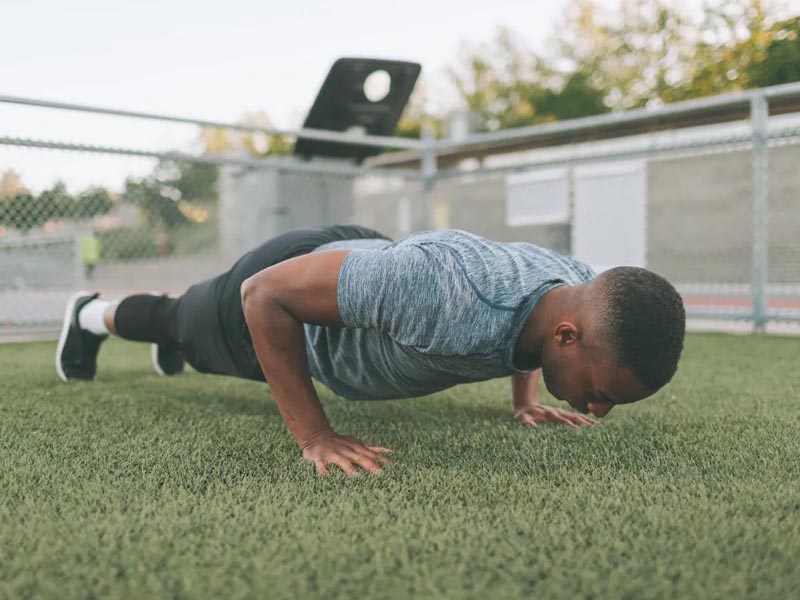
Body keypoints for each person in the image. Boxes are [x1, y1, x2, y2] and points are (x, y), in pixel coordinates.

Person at [56, 224, 686, 477]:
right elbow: (264, 296)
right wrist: (316, 436)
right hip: (288, 286)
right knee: (183, 320)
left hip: (368, 268)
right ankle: (89, 314)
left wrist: (525, 399)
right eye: (600, 392)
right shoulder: (444, 294)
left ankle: (179, 331)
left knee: (189, 325)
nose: (597, 409)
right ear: (569, 339)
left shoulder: (572, 288)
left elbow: (530, 323)